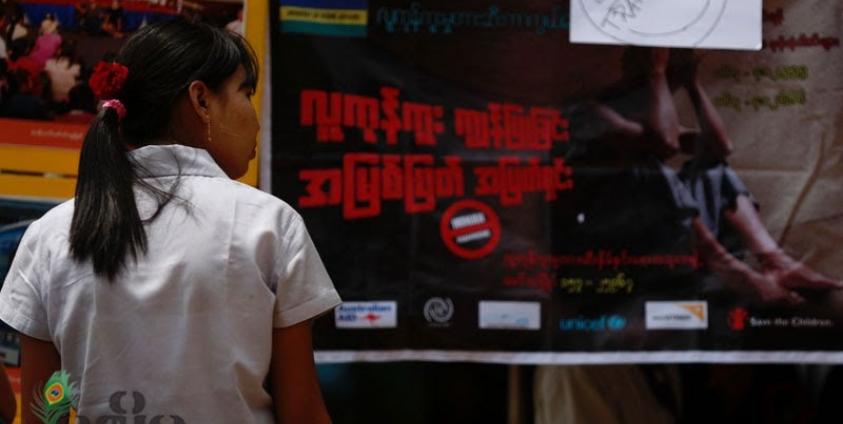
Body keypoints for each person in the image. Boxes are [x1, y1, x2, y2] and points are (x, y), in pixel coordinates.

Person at [0, 19, 340, 423]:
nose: (254, 115)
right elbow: (301, 412)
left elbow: (46, 415)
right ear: (201, 100)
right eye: (245, 93)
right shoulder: (268, 225)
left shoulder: (49, 236)